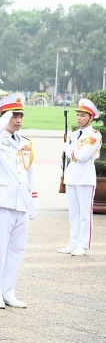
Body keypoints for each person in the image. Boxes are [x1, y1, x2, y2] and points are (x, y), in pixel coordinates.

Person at [0, 93, 36, 309]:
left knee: (17, 250)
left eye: (21, 116)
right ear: (4, 117)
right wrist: (1, 124)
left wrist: (34, 200)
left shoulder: (26, 143)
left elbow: (30, 173)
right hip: (1, 201)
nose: (18, 120)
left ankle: (8, 291)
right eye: (14, 116)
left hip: (21, 202)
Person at [59, 99, 102, 256]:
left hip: (85, 177)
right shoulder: (74, 134)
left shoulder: (94, 135)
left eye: (83, 115)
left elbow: (82, 156)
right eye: (78, 115)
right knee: (74, 213)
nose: (79, 118)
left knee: (85, 213)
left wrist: (69, 149)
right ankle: (73, 243)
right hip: (72, 175)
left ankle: (83, 245)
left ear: (91, 118)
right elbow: (73, 155)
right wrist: (71, 150)